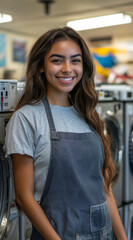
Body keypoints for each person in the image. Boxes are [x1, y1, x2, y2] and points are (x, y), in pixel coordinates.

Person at [4, 27, 127, 240]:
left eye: (75, 60)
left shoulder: (90, 116)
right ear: (41, 66)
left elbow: (104, 189)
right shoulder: (27, 118)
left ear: (84, 66)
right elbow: (24, 197)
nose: (67, 69)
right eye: (57, 60)